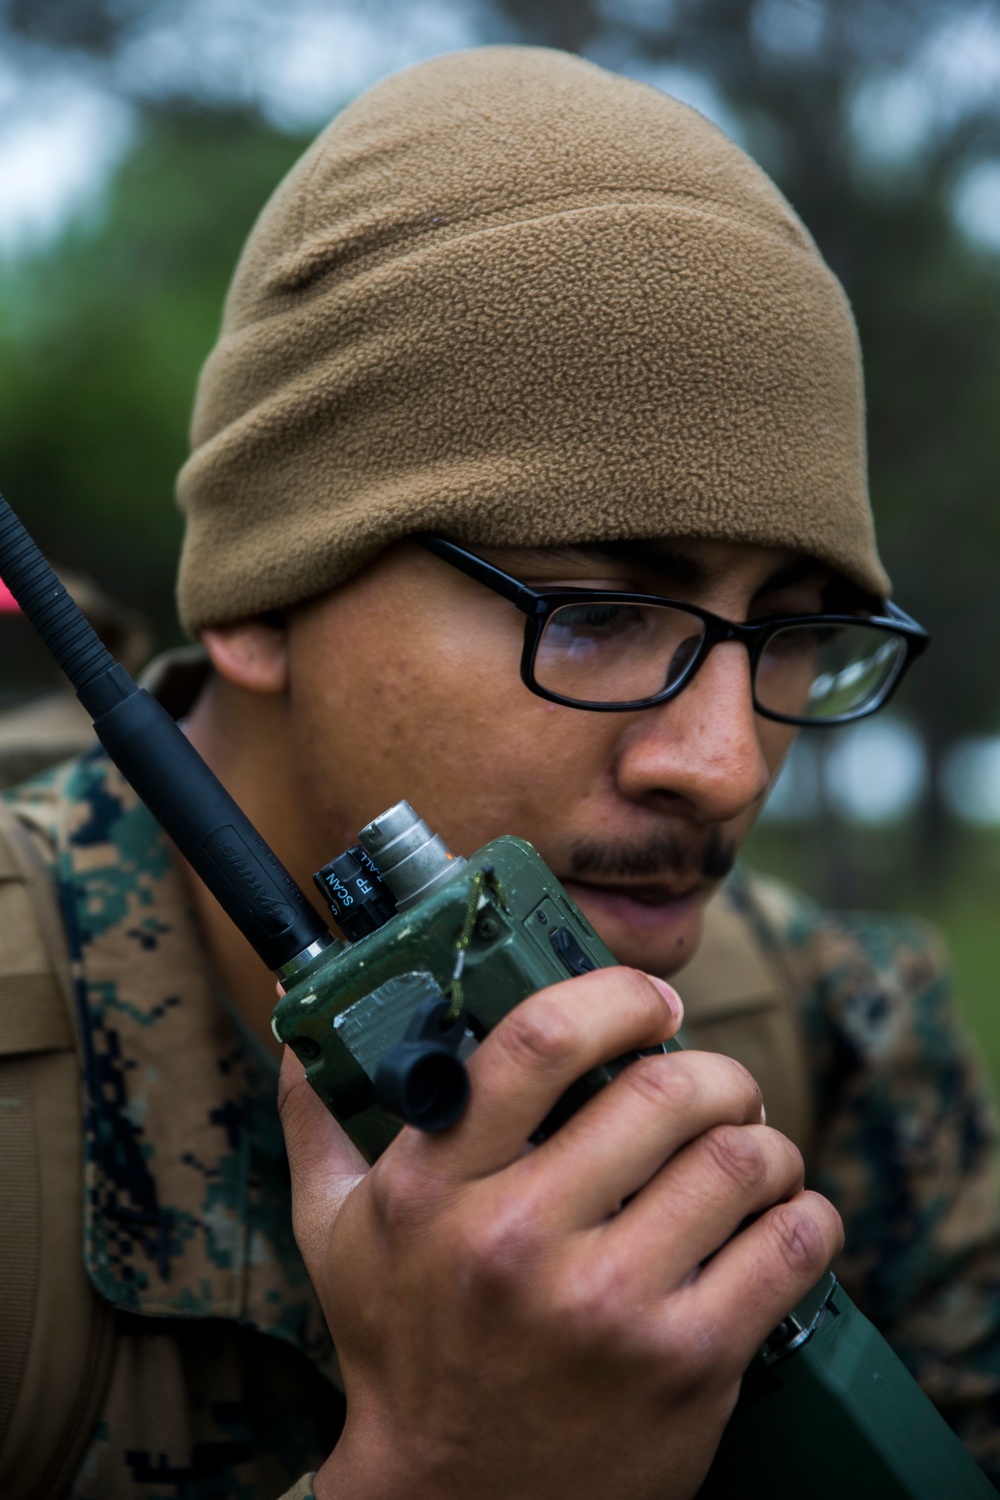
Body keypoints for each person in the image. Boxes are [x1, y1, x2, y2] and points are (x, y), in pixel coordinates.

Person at [2, 44, 998, 1500]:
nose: (723, 767)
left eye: (797, 636)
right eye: (594, 615)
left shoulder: (838, 1041)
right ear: (264, 599)